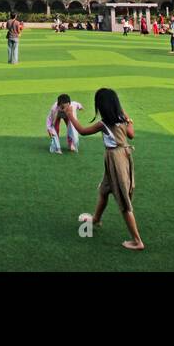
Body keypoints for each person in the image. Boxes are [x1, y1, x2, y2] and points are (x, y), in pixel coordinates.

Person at [68, 88, 143, 251]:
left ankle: (137, 241)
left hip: (116, 160)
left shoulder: (104, 124)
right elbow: (131, 134)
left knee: (123, 201)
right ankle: (96, 219)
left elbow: (82, 131)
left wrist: (70, 115)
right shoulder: (122, 119)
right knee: (104, 190)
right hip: (122, 157)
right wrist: (127, 117)